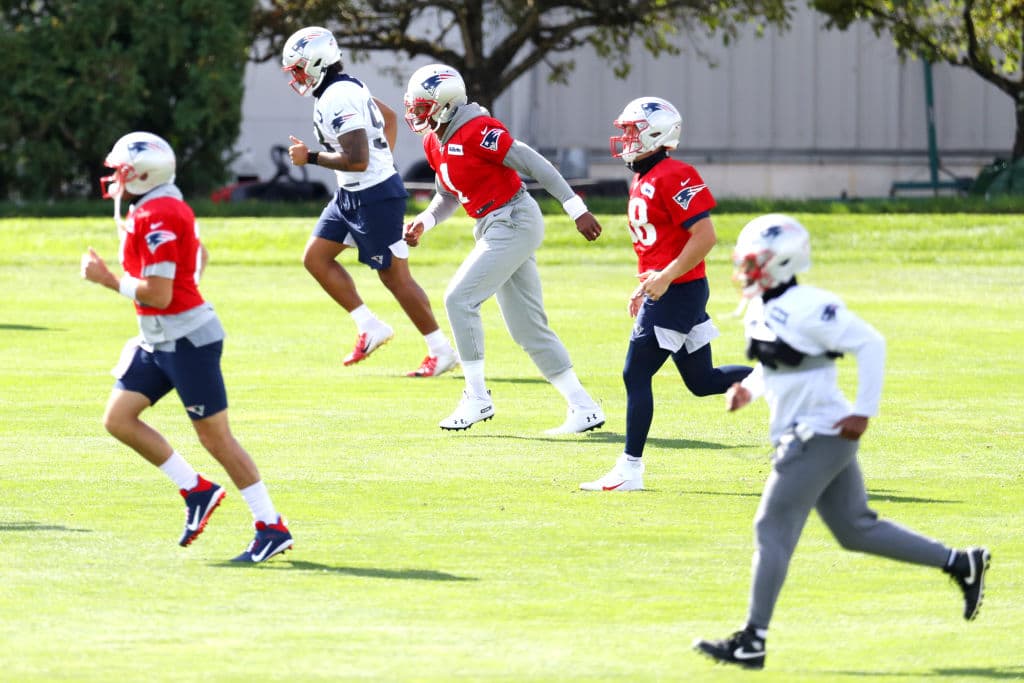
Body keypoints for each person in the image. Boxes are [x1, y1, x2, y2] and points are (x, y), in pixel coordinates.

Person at [693, 214, 990, 669]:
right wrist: (747, 390)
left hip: (819, 435)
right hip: (819, 434)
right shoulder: (761, 304)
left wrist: (863, 411)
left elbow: (872, 344)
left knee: (770, 529)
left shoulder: (812, 305)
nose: (748, 270)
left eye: (757, 262)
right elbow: (775, 363)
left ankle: (752, 639)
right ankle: (960, 563)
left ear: (784, 260)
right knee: (855, 529)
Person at [80, 131, 293, 563]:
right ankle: (197, 490)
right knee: (119, 419)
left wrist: (108, 280)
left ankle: (271, 526)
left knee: (216, 439)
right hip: (159, 338)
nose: (114, 178)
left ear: (142, 173)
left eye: (120, 170)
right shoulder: (157, 206)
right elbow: (201, 257)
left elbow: (157, 294)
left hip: (187, 340)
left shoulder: (158, 213)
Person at [401, 63, 605, 433]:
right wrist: (424, 222)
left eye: (422, 106)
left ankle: (477, 397)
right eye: (414, 106)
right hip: (493, 225)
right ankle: (583, 406)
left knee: (458, 299)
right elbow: (447, 195)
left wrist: (576, 208)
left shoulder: (478, 130)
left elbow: (534, 164)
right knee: (527, 328)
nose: (415, 113)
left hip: (514, 219)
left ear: (445, 104)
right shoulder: (434, 140)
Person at [580, 97, 752, 492]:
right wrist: (645, 284)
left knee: (635, 372)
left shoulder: (675, 173)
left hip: (680, 291)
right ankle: (783, 377)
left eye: (631, 129)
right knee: (703, 381)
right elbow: (659, 245)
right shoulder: (644, 176)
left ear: (657, 132)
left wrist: (666, 279)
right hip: (675, 289)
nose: (625, 137)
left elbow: (705, 236)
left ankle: (630, 469)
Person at [281, 27, 457, 377]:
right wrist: (383, 163)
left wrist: (310, 158)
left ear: (317, 62)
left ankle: (441, 350)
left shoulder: (337, 96)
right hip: (352, 192)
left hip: (373, 196)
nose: (297, 77)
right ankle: (369, 326)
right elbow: (389, 119)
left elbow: (358, 158)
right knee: (316, 258)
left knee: (395, 277)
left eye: (299, 69)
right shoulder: (346, 86)